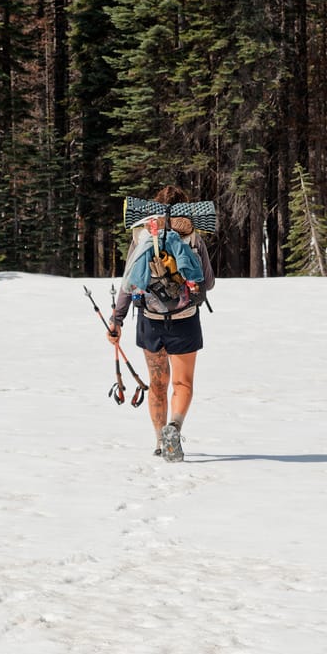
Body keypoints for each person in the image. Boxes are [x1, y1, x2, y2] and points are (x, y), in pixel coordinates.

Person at [107, 186, 215, 461]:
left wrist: (117, 319)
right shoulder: (192, 237)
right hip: (185, 319)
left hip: (150, 321)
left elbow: (128, 282)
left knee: (157, 383)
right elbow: (209, 282)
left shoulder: (142, 236)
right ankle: (174, 428)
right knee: (183, 383)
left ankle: (159, 442)